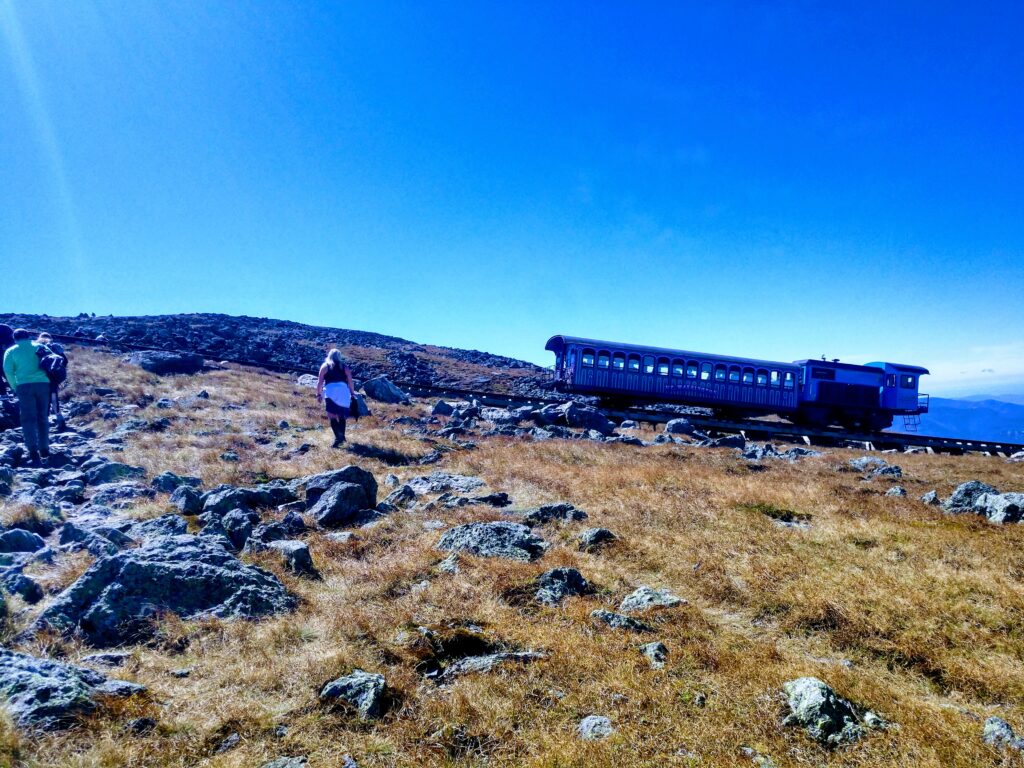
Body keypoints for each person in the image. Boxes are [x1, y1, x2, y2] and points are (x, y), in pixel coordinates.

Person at [2, 329, 52, 466]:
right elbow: (53, 361)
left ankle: (32, 450)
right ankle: (45, 449)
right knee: (43, 416)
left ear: (14, 338)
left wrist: (14, 387)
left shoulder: (11, 351)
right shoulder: (41, 346)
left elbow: (8, 371)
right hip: (43, 384)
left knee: (28, 418)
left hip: (24, 386)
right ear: (28, 336)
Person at [316, 349, 356, 447]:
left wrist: (318, 394)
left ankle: (338, 439)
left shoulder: (325, 366)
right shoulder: (344, 367)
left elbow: (320, 382)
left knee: (332, 416)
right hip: (343, 391)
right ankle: (342, 437)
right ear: (339, 356)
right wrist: (352, 393)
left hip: (331, 391)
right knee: (342, 416)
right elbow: (350, 381)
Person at [36, 332, 68, 431]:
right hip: (54, 377)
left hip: (41, 377)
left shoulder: (37, 347)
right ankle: (60, 419)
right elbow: (65, 361)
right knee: (54, 397)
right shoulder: (55, 347)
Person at [0, 324, 13, 399]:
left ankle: (3, 393)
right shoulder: (6, 327)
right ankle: (17, 391)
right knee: (9, 374)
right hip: (7, 356)